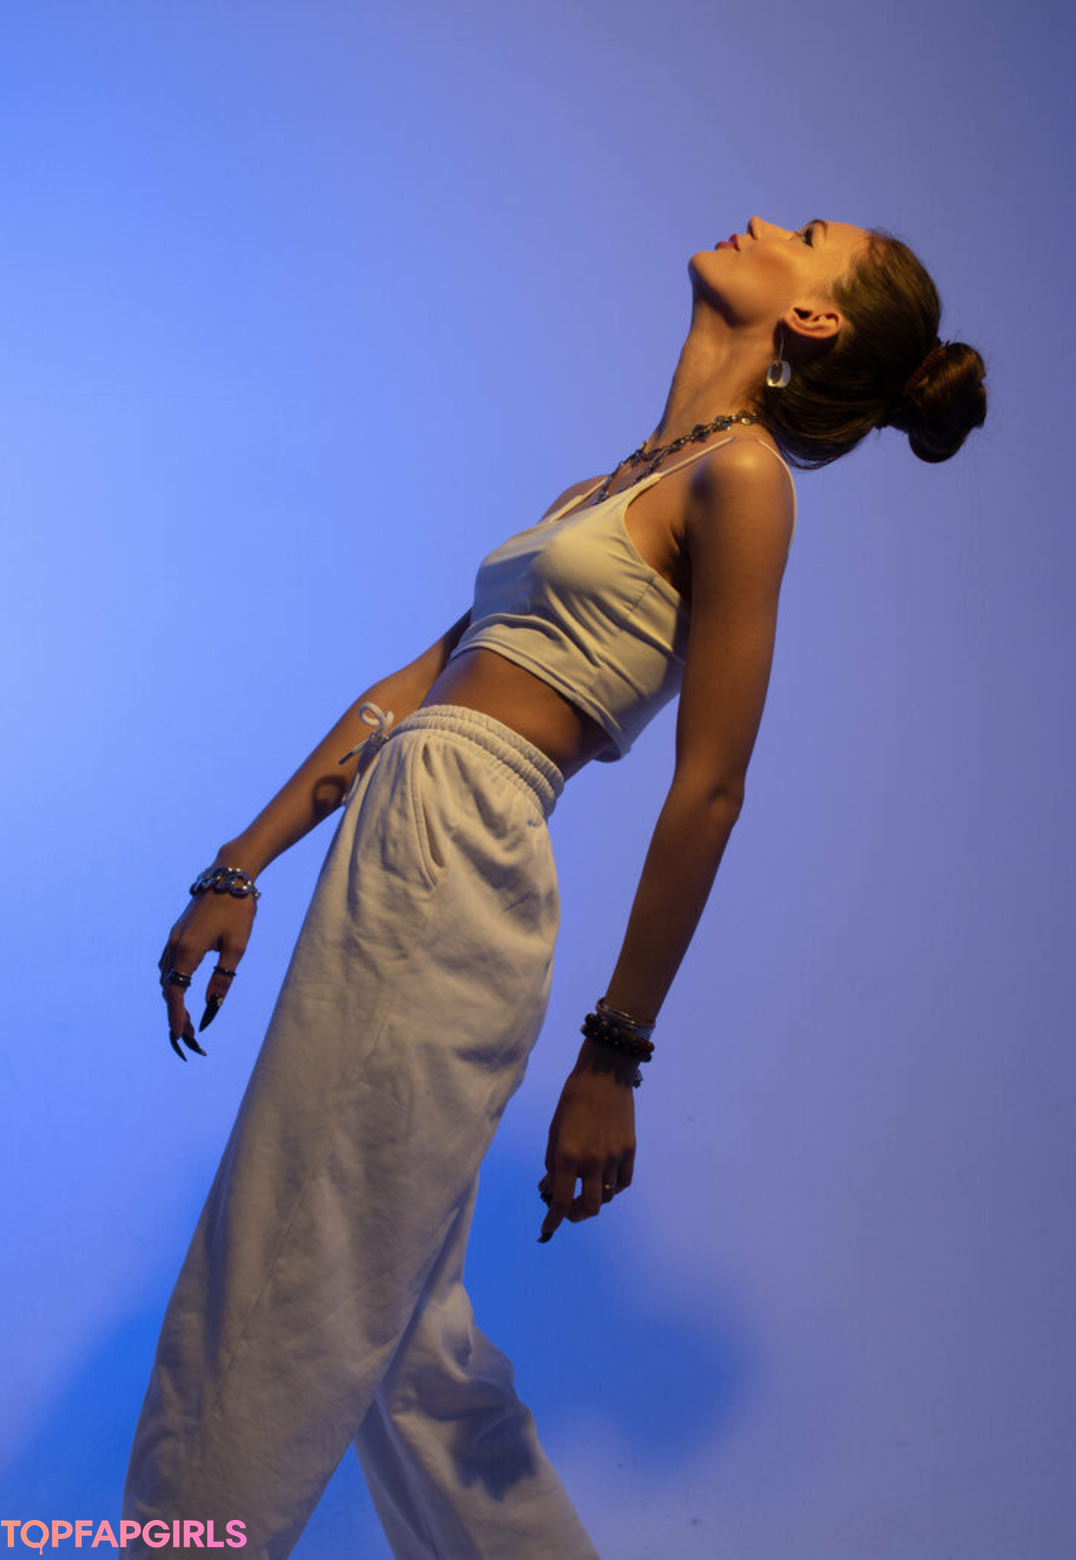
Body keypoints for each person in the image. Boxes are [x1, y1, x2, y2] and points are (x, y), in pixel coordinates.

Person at [123, 216, 987, 1558]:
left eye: (807, 235)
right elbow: (415, 685)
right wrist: (243, 861)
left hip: (462, 846)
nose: (766, 224)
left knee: (292, 1251)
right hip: (411, 811)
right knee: (407, 1348)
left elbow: (711, 788)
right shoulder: (615, 480)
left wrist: (615, 1053)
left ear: (813, 320)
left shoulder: (744, 481)